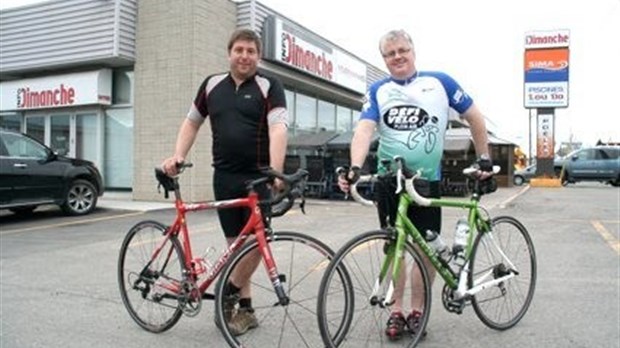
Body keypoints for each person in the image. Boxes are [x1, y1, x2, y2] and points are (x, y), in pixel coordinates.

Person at [338, 29, 494, 340]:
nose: (397, 57)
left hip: (426, 181)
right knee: (394, 248)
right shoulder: (378, 90)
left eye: (402, 50)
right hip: (389, 181)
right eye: (390, 53)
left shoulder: (440, 82)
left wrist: (485, 158)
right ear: (384, 59)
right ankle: (396, 311)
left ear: (413, 51)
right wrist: (356, 167)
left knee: (427, 252)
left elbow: (475, 117)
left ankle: (417, 312)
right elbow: (364, 130)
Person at [161, 28, 289, 336]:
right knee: (236, 247)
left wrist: (275, 170)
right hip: (225, 176)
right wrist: (177, 154)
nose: (245, 56)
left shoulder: (269, 85)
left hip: (258, 177)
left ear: (258, 56)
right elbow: (192, 121)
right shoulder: (211, 85)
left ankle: (227, 293)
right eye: (239, 50)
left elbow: (279, 129)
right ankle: (244, 310)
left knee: (257, 244)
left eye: (251, 51)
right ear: (229, 52)